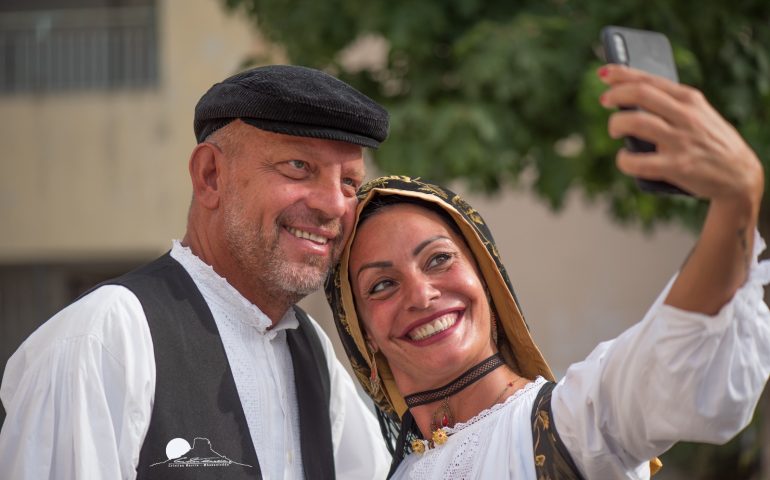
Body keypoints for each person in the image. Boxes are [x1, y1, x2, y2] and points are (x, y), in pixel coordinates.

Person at [325, 64, 770, 479]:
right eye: (382, 285)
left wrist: (736, 203)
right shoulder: (394, 468)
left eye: (439, 259)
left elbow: (669, 365)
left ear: (486, 278)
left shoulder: (563, 425)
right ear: (363, 335)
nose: (421, 295)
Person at [0, 65, 392, 479]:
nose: (333, 205)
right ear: (211, 176)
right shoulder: (106, 338)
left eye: (349, 182)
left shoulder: (312, 352)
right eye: (298, 166)